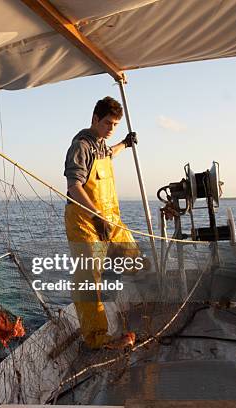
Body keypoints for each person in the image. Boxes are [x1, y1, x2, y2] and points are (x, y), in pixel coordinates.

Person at [63, 96, 141, 349]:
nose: (111, 128)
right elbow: (74, 186)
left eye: (115, 124)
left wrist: (125, 144)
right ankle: (96, 338)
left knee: (134, 258)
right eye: (107, 123)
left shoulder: (101, 144)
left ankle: (144, 302)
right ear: (95, 119)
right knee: (88, 278)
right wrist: (96, 215)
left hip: (109, 218)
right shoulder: (81, 147)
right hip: (85, 220)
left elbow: (111, 153)